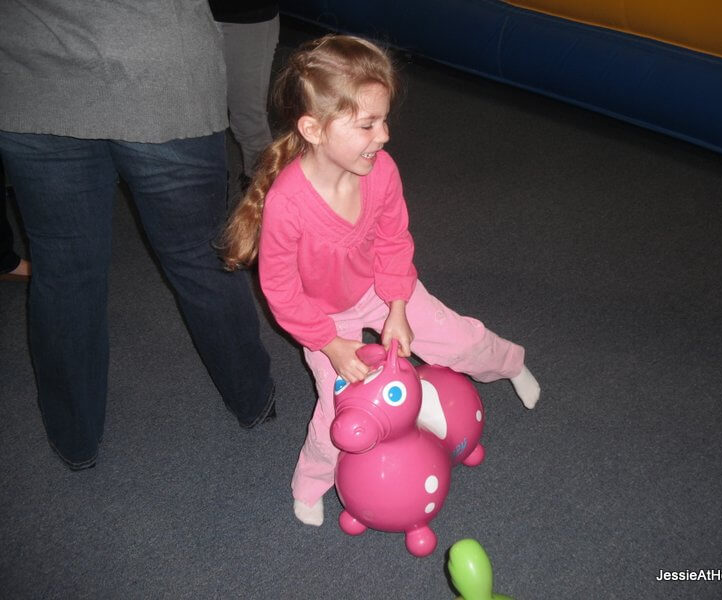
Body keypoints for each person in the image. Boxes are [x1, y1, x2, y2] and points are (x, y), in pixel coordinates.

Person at [220, 35, 541, 526]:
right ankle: (309, 482)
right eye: (368, 124)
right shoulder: (287, 204)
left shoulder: (381, 171)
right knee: (336, 410)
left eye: (384, 119)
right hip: (323, 317)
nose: (384, 134)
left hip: (379, 289)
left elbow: (394, 241)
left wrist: (396, 309)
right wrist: (330, 345)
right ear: (314, 129)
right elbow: (281, 293)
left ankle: (510, 362)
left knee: (454, 338)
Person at [0, 0, 277, 471]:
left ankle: (75, 440)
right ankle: (254, 400)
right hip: (159, 69)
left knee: (64, 271)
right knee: (198, 257)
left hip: (31, 70)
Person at [209, 0, 280, 191]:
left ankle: (263, 196)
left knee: (248, 119)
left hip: (245, 17)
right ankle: (212, 191)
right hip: (189, 17)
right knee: (203, 120)